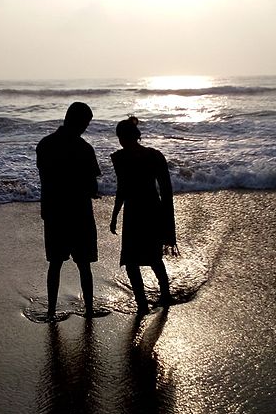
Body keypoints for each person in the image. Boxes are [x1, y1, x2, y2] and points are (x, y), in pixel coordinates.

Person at [36, 102, 101, 318]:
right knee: (84, 265)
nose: (86, 128)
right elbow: (93, 188)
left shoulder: (44, 145)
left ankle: (52, 311)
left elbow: (44, 178)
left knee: (55, 265)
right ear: (81, 122)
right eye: (86, 123)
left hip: (54, 212)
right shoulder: (85, 149)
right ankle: (89, 310)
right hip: (79, 213)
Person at [109, 116, 176, 312]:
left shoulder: (123, 158)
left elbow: (122, 189)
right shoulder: (152, 156)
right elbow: (165, 191)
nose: (120, 141)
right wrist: (114, 216)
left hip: (138, 212)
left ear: (125, 137)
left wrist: (115, 215)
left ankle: (149, 301)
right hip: (148, 210)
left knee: (138, 260)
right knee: (147, 259)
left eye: (121, 136)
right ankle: (156, 298)